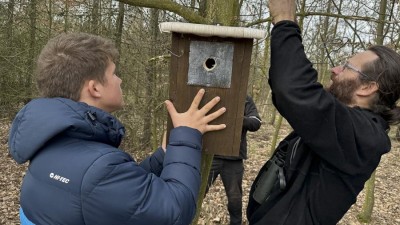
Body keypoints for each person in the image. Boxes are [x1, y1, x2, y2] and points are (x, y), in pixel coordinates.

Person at [8, 32, 227, 225]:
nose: (120, 80)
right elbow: (176, 212)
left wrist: (164, 155)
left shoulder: (49, 142)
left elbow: (115, 195)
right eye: (114, 73)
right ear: (94, 88)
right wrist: (187, 135)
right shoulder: (98, 169)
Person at [246, 0, 400, 224]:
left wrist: (285, 21)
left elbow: (294, 90)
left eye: (347, 67)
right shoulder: (343, 125)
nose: (334, 70)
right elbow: (292, 95)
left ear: (368, 87)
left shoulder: (364, 137)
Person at [206, 95, 261, 225]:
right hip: (209, 157)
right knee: (197, 193)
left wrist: (235, 118)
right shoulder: (212, 93)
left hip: (233, 158)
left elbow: (256, 122)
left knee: (235, 198)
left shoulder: (244, 98)